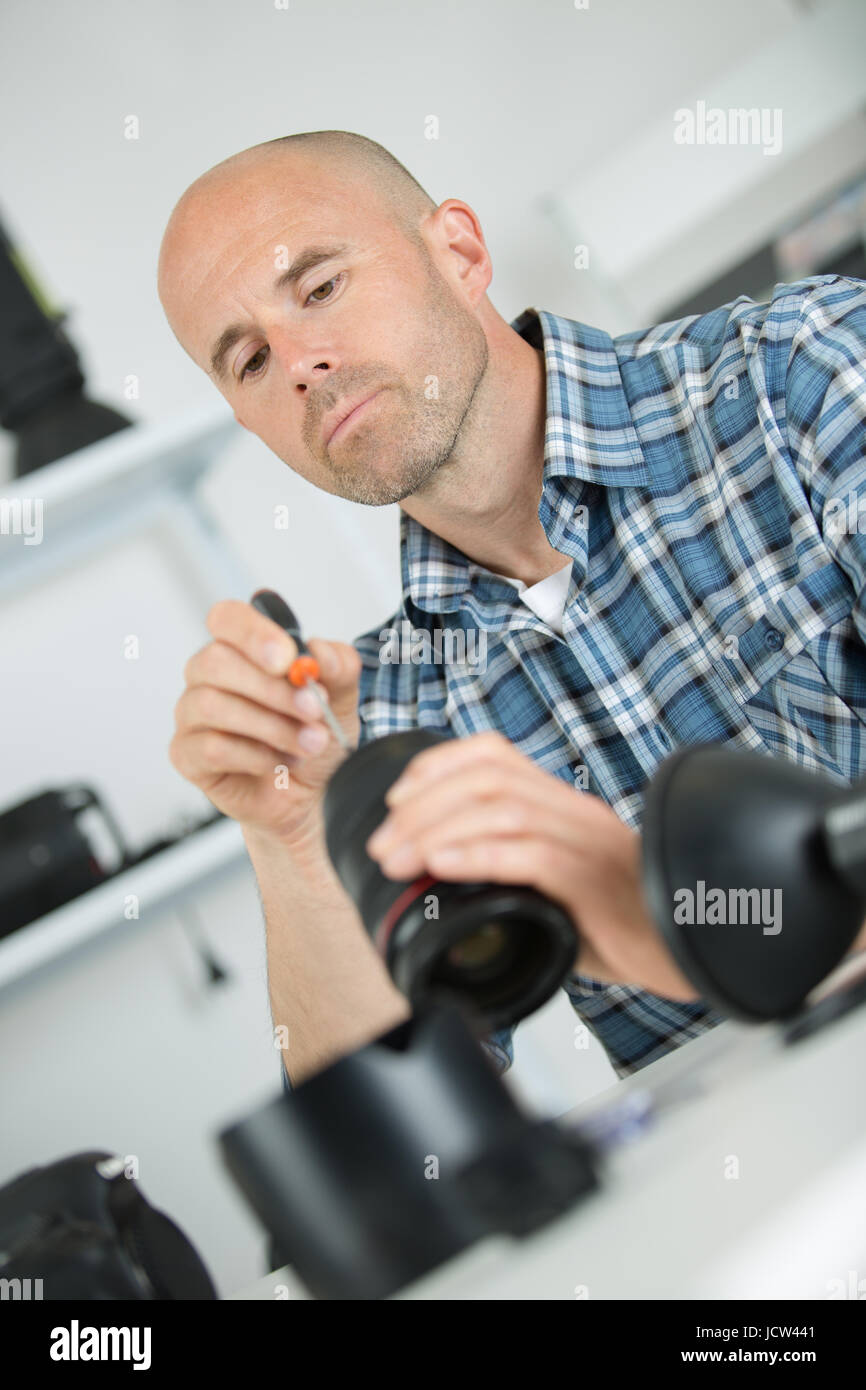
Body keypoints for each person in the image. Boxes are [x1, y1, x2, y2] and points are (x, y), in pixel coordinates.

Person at [157, 129, 866, 1088]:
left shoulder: (803, 379)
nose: (296, 364)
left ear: (459, 252)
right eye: (246, 361)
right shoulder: (390, 720)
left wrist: (656, 918)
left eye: (320, 288)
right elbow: (400, 1155)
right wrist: (290, 834)